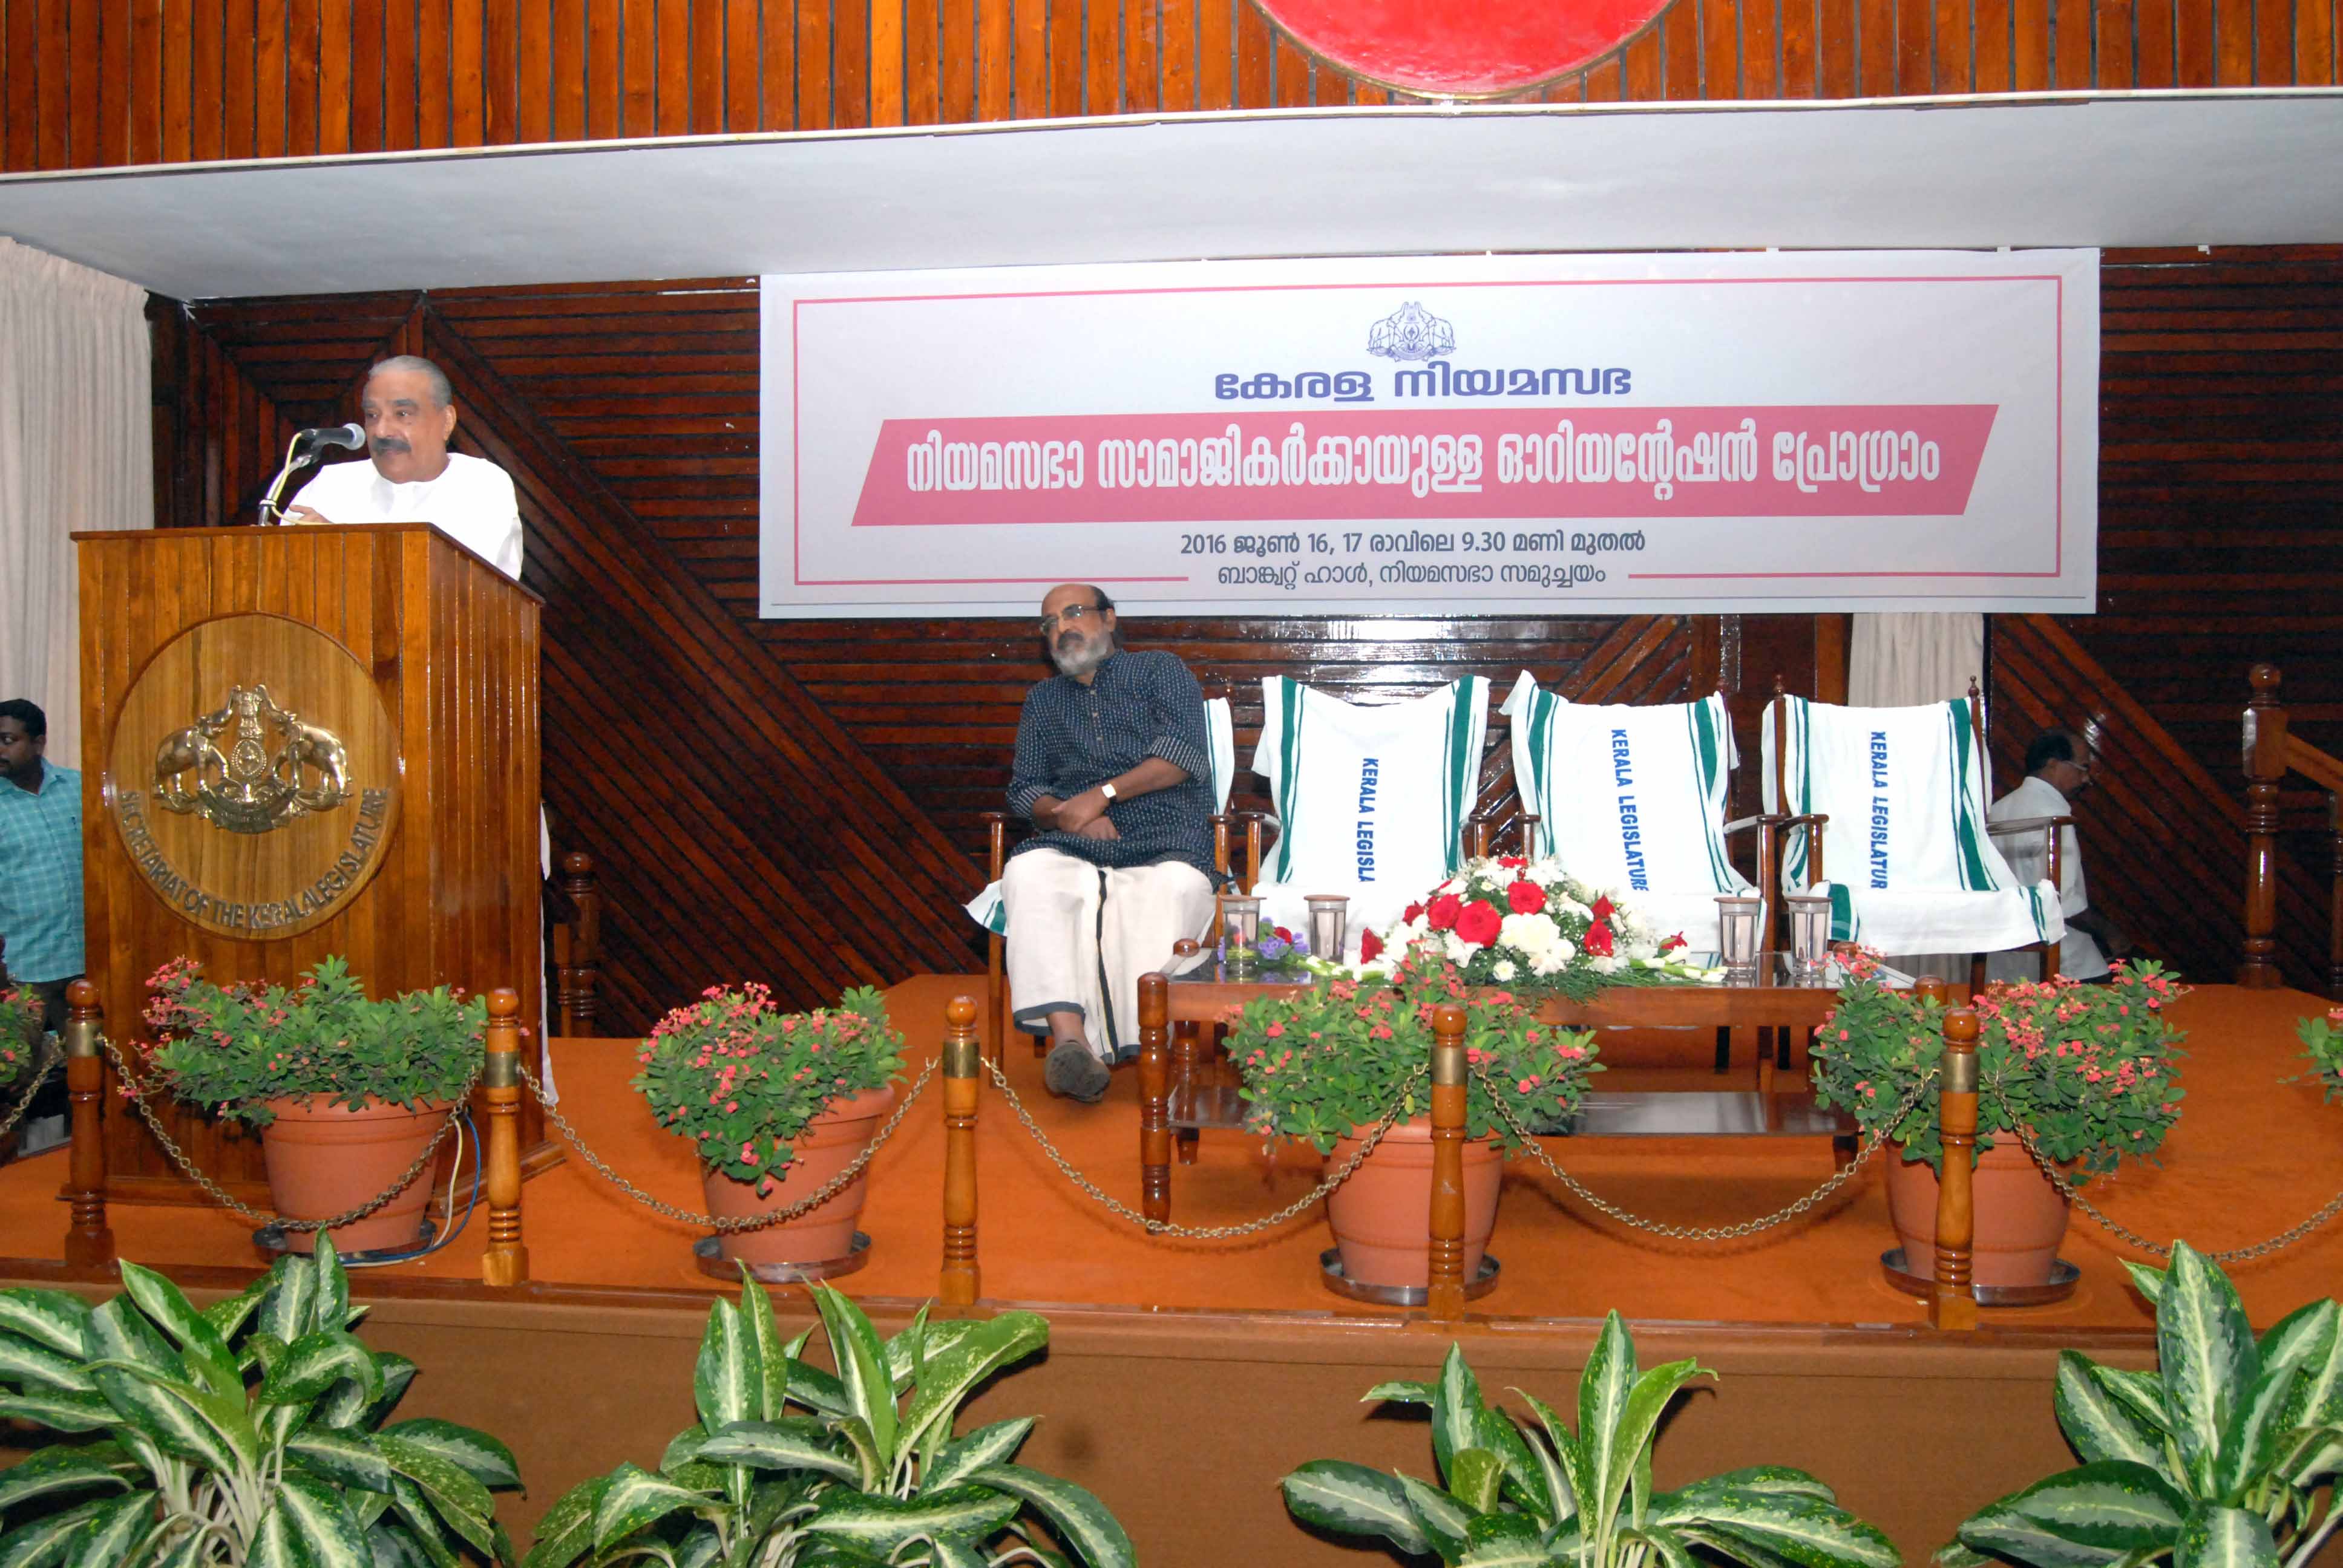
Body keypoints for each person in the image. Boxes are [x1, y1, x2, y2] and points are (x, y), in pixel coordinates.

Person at [1002, 584, 1217, 1103]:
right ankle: (1071, 1044)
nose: (1062, 628)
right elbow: (1024, 789)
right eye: (1050, 622)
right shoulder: (1043, 700)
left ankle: (1148, 1039)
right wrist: (1069, 815)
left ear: (1110, 618)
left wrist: (1101, 797)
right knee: (1029, 874)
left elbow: (1181, 755)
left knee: (1172, 888)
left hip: (1165, 834)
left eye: (1074, 613)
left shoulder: (1159, 671)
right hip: (1075, 840)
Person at [285, 355, 523, 581]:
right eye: (372, 415)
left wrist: (345, 549)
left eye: (402, 414)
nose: (382, 431)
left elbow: (454, 585)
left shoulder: (481, 483)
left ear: (447, 421)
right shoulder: (332, 484)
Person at [0, 699, 82, 1154]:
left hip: (87, 967)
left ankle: (90, 1163)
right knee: (15, 1087)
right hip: (23, 972)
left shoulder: (78, 789)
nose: (0, 750)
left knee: (93, 1081)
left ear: (38, 743)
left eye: (8, 740)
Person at [1988, 728, 2128, 983]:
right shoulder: (2055, 816)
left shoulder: (1998, 810)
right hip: (2062, 960)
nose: (2086, 779)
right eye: (2082, 768)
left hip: (2008, 959)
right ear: (2053, 765)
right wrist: (2111, 934)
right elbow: (2064, 901)